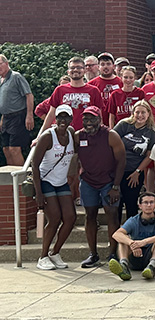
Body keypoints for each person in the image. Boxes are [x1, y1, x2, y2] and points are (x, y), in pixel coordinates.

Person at [75, 106, 126, 267]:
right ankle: (93, 254)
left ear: (100, 119)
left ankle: (113, 253)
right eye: (86, 119)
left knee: (112, 214)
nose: (88, 123)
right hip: (88, 181)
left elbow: (121, 161)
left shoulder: (111, 135)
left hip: (108, 182)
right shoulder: (78, 136)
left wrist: (116, 186)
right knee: (90, 215)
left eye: (92, 119)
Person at [32, 105, 77, 270]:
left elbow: (76, 156)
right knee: (55, 218)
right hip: (45, 180)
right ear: (55, 119)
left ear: (71, 119)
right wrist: (39, 193)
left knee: (70, 217)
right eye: (60, 117)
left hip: (62, 181)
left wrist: (73, 178)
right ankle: (42, 256)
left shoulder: (72, 133)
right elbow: (34, 164)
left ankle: (55, 252)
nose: (63, 121)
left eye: (66, 117)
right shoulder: (47, 136)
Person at [108, 192, 155, 280]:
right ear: (140, 205)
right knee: (123, 240)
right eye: (145, 202)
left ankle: (151, 267)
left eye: (151, 202)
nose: (149, 205)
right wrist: (132, 243)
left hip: (153, 257)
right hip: (135, 256)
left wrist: (144, 242)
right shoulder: (133, 220)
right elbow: (116, 234)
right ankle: (124, 266)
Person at [113, 100, 155, 222]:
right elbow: (111, 140)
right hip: (117, 171)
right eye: (137, 112)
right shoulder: (124, 125)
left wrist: (137, 172)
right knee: (116, 204)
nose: (140, 115)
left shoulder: (151, 133)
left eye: (143, 112)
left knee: (131, 204)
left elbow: (149, 155)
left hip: (134, 172)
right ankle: (115, 236)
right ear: (133, 113)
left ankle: (131, 235)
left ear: (148, 113)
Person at [44, 57, 104, 130]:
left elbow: (99, 115)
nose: (75, 70)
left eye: (79, 67)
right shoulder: (60, 90)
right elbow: (51, 114)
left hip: (87, 133)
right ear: (68, 71)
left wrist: (101, 135)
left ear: (84, 70)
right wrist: (39, 136)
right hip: (64, 134)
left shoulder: (94, 90)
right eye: (72, 68)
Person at [0, 54, 34, 165]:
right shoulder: (1, 80)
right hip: (6, 118)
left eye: (0, 64)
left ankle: (20, 179)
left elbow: (29, 95)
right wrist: (2, 118)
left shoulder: (16, 76)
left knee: (14, 149)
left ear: (6, 63)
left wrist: (29, 115)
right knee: (6, 150)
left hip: (18, 117)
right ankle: (11, 180)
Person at [87, 52, 122, 126]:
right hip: (98, 123)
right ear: (98, 67)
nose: (105, 67)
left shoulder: (121, 82)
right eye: (102, 64)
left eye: (108, 64)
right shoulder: (91, 84)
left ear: (113, 66)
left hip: (117, 123)